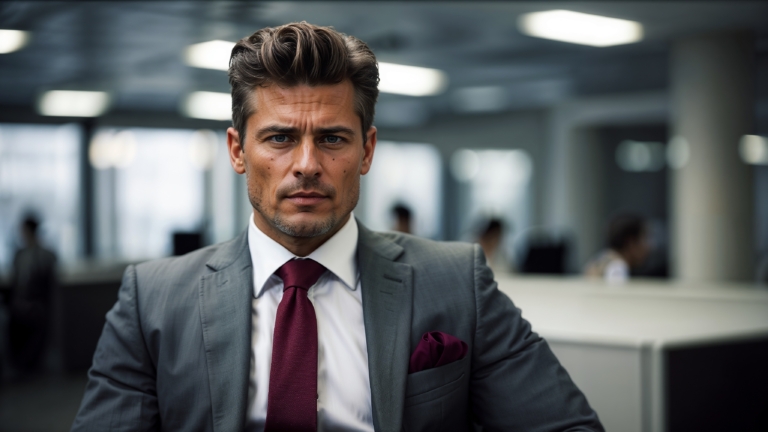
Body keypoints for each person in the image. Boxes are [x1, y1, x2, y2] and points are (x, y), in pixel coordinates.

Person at [72, 22, 602, 431]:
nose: (306, 164)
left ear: (366, 150)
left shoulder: (456, 281)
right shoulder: (153, 300)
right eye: (279, 138)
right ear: (237, 150)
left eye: (332, 139)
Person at [8, 215, 57, 376]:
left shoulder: (44, 255)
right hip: (20, 305)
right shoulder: (20, 254)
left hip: (36, 305)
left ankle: (27, 366)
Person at [584, 214, 649, 283]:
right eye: (645, 239)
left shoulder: (601, 258)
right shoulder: (617, 268)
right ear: (631, 242)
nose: (649, 246)